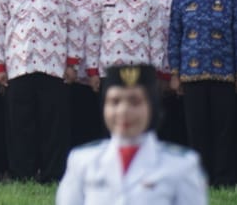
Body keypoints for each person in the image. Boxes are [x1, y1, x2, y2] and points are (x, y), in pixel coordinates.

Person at [0, 0, 79, 183]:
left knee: (54, 125)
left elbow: (73, 25)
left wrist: (72, 63)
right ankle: (23, 173)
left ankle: (53, 174)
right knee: (20, 124)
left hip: (53, 65)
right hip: (19, 64)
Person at [55, 64, 207, 204]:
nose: (123, 111)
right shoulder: (82, 162)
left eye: (135, 102)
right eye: (115, 101)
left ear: (152, 107)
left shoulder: (181, 166)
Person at [166, 0, 237, 188]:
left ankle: (223, 178)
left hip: (224, 74)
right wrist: (175, 73)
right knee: (196, 130)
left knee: (224, 130)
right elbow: (175, 36)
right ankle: (199, 178)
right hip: (191, 75)